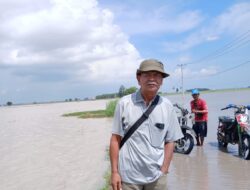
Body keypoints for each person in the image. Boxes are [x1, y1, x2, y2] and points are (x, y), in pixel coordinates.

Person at [109, 59, 183, 190]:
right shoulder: (124, 104)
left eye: (157, 75)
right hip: (128, 178)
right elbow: (115, 140)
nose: (152, 79)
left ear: (162, 80)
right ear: (138, 78)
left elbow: (170, 141)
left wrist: (164, 170)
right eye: (147, 75)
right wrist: (115, 172)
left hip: (156, 178)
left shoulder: (167, 106)